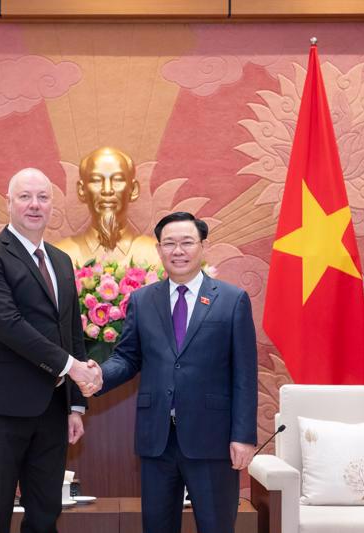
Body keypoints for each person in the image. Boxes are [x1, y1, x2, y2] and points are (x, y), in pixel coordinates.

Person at [84, 211, 258, 533]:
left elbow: (245, 374)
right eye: (170, 244)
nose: (178, 251)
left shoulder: (232, 301)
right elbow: (127, 357)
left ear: (202, 247)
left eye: (187, 242)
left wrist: (243, 436)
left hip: (212, 437)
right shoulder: (142, 300)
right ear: (159, 249)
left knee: (216, 526)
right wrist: (100, 376)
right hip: (157, 439)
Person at [0, 168, 102, 533]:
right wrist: (73, 367)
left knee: (44, 513)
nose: (34, 205)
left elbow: (70, 330)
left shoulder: (60, 260)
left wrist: (74, 405)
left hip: (52, 410)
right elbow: (8, 325)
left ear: (52, 204)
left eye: (42, 197)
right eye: (25, 197)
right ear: (8, 202)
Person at [56, 147, 160, 266]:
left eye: (117, 180)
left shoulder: (156, 256)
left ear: (133, 189)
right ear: (81, 190)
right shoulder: (61, 257)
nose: (107, 190)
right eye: (96, 180)